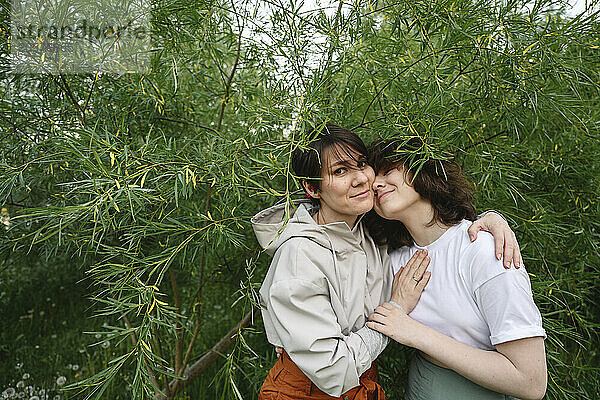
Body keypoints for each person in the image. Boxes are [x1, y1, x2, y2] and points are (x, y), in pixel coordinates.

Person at [252, 124, 521, 400]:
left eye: (362, 164)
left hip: (364, 385)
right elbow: (333, 369)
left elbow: (432, 227)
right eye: (340, 171)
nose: (361, 179)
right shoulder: (300, 255)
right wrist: (396, 310)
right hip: (307, 391)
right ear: (312, 188)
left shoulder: (371, 229)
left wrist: (489, 221)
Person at [365, 138, 547, 400]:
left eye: (387, 169)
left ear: (422, 169)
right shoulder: (388, 258)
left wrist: (413, 332)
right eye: (373, 177)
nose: (375, 183)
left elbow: (530, 382)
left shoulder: (483, 250)